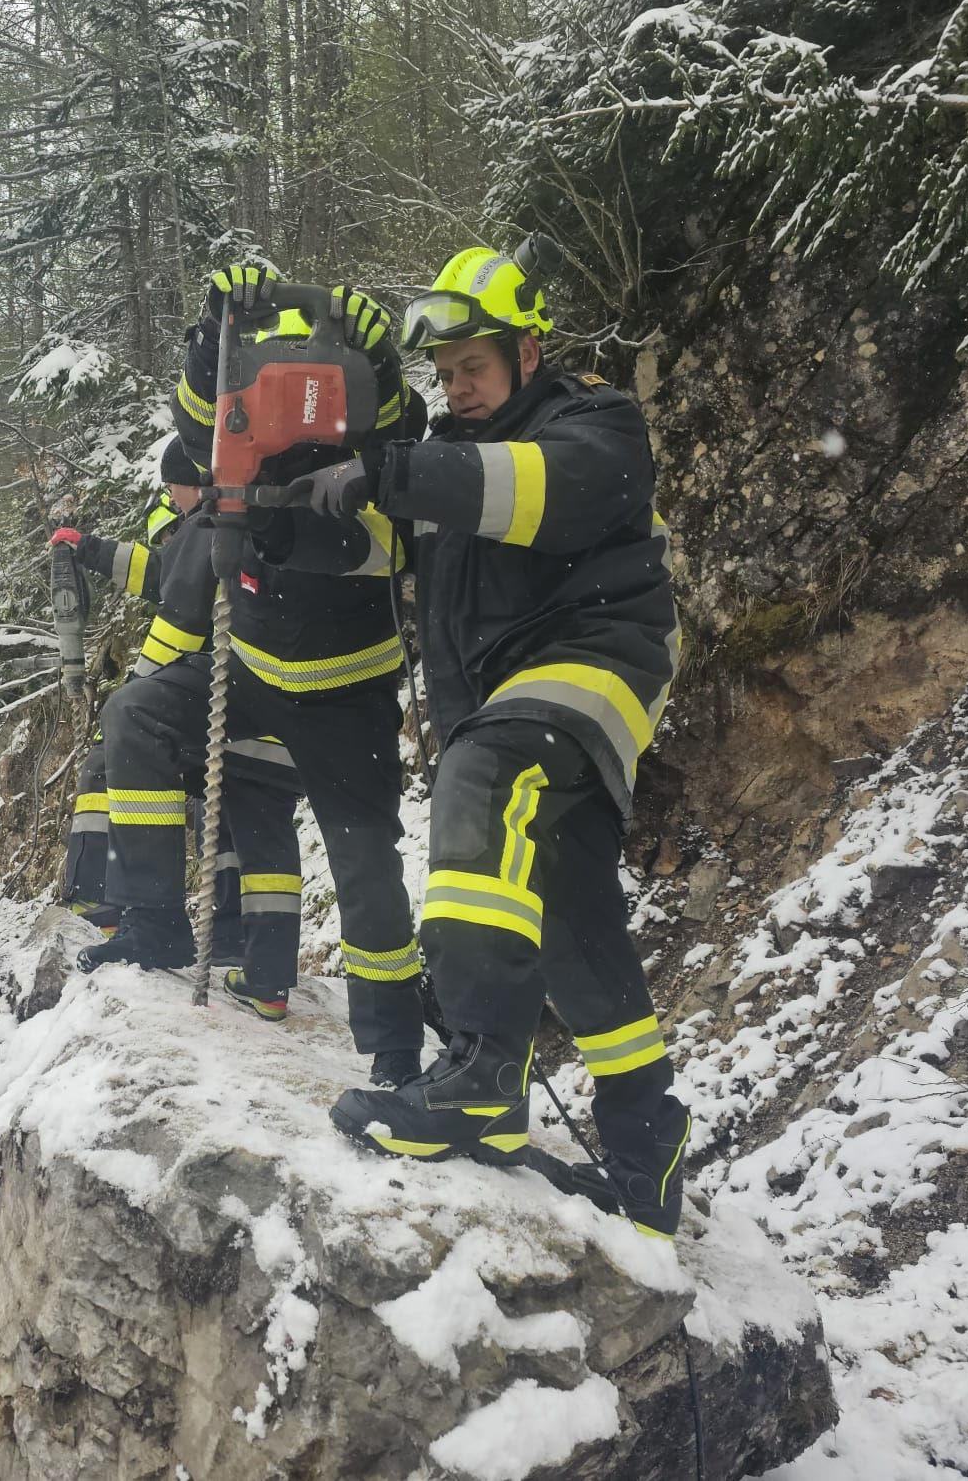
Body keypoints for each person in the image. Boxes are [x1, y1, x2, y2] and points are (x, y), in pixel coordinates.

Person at [298, 246, 693, 1238]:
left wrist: (391, 471)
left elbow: (542, 489)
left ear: (527, 351)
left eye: (473, 365)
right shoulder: (449, 461)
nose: (456, 387)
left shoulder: (589, 421)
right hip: (503, 699)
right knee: (568, 914)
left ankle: (479, 1076)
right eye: (444, 373)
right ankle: (647, 1145)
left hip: (594, 660)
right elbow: (408, 560)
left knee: (488, 768)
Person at [79, 264, 430, 1086]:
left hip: (348, 686)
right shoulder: (240, 432)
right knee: (136, 716)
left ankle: (395, 1050)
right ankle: (156, 917)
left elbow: (391, 504)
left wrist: (381, 371)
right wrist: (211, 340)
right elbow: (200, 432)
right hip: (253, 670)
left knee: (365, 860)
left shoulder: (374, 434)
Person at [55, 443, 303, 976]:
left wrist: (132, 706)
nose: (169, 495)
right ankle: (256, 958)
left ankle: (128, 912)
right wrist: (90, 549)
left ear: (194, 481)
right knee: (252, 835)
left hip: (233, 713)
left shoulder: (209, 526)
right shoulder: (251, 518)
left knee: (125, 739)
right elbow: (161, 572)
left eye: (173, 485)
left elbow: (178, 619)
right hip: (286, 719)